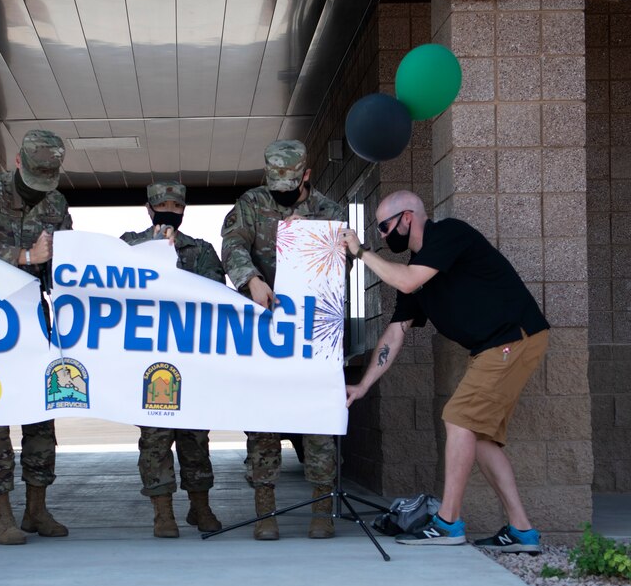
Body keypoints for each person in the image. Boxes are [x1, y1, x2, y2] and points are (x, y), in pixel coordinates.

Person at [340, 191, 549, 553]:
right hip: (491, 348)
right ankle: (522, 531)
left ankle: (447, 523)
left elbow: (405, 280)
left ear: (407, 218)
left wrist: (361, 252)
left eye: (385, 227)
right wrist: (362, 386)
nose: (383, 235)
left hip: (514, 337)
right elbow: (395, 334)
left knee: (458, 418)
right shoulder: (413, 271)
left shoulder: (448, 234)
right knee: (480, 437)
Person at [221, 139, 345, 540]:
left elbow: (344, 262)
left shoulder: (328, 212)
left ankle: (322, 510)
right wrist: (251, 278)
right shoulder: (251, 204)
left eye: (289, 185)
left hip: (313, 335)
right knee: (263, 422)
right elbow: (232, 244)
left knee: (319, 422)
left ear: (305, 176)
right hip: (264, 332)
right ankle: (265, 514)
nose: (281, 193)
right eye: (275, 185)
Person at [0, 130, 72, 545]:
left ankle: (36, 510)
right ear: (18, 162)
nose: (40, 191)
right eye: (33, 180)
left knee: (42, 416)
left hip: (35, 322)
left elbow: (67, 261)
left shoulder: (57, 204)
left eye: (48, 182)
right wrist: (25, 257)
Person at [120, 181, 225, 538]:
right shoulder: (127, 246)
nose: (170, 211)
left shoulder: (202, 250)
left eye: (177, 206)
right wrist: (151, 251)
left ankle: (200, 506)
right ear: (149, 209)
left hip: (190, 359)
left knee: (195, 437)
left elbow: (214, 296)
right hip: (147, 363)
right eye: (163, 205)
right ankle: (162, 513)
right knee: (155, 438)